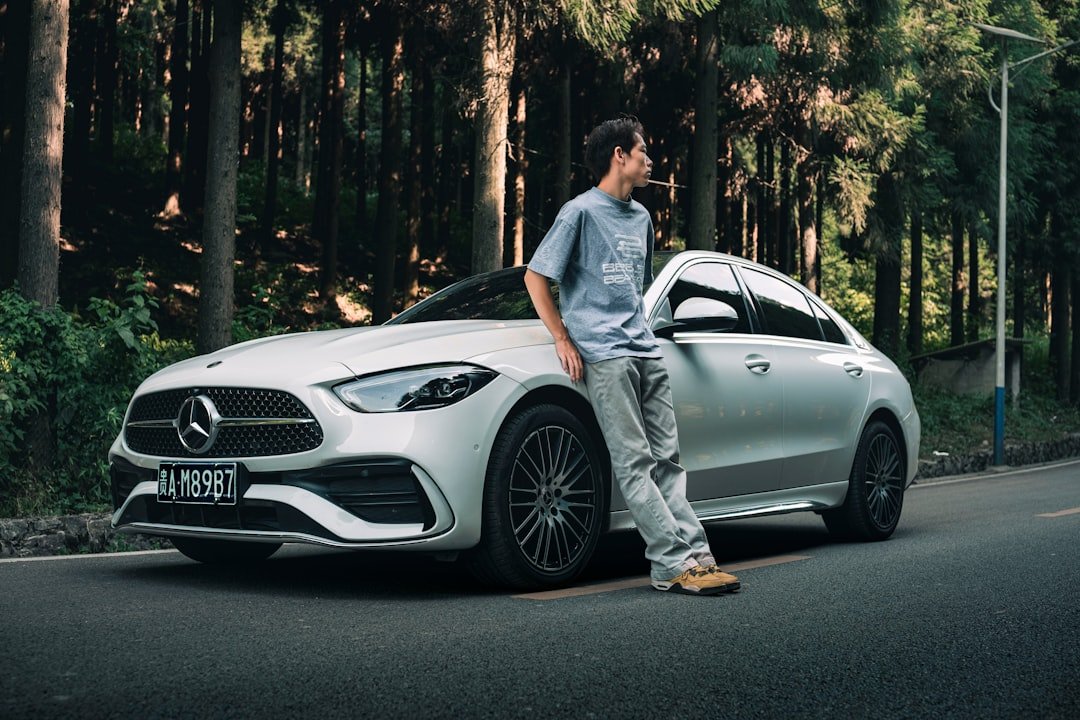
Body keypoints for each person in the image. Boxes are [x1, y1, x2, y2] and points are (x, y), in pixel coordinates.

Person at [523, 116, 740, 596]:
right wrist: (562, 336)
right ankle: (670, 563)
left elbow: (635, 289)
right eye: (644, 152)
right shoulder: (578, 212)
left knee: (668, 460)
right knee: (636, 462)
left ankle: (698, 556)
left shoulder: (641, 218)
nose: (650, 162)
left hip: (645, 350)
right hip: (604, 354)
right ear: (619, 155)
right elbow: (536, 277)